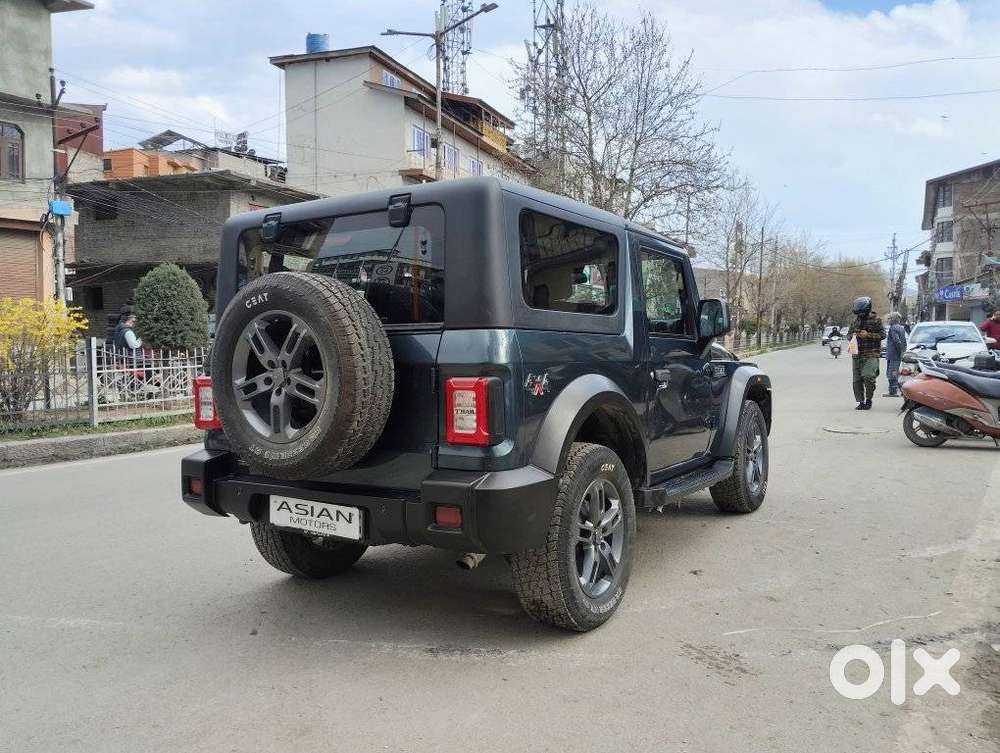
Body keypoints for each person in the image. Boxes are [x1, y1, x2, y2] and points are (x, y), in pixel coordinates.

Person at [847, 296, 885, 410]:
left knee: (868, 377)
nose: (860, 315)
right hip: (857, 355)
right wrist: (853, 336)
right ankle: (861, 402)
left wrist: (868, 335)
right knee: (857, 381)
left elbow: (883, 335)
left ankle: (869, 399)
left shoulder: (876, 320)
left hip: (871, 354)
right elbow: (848, 335)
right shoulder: (855, 321)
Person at [883, 311, 907, 397]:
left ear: (892, 319)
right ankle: (895, 390)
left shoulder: (893, 328)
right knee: (894, 372)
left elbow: (897, 341)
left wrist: (900, 351)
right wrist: (903, 351)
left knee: (892, 372)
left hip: (893, 354)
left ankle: (893, 391)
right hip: (897, 354)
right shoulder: (901, 328)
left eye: (889, 318)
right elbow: (904, 342)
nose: (888, 320)